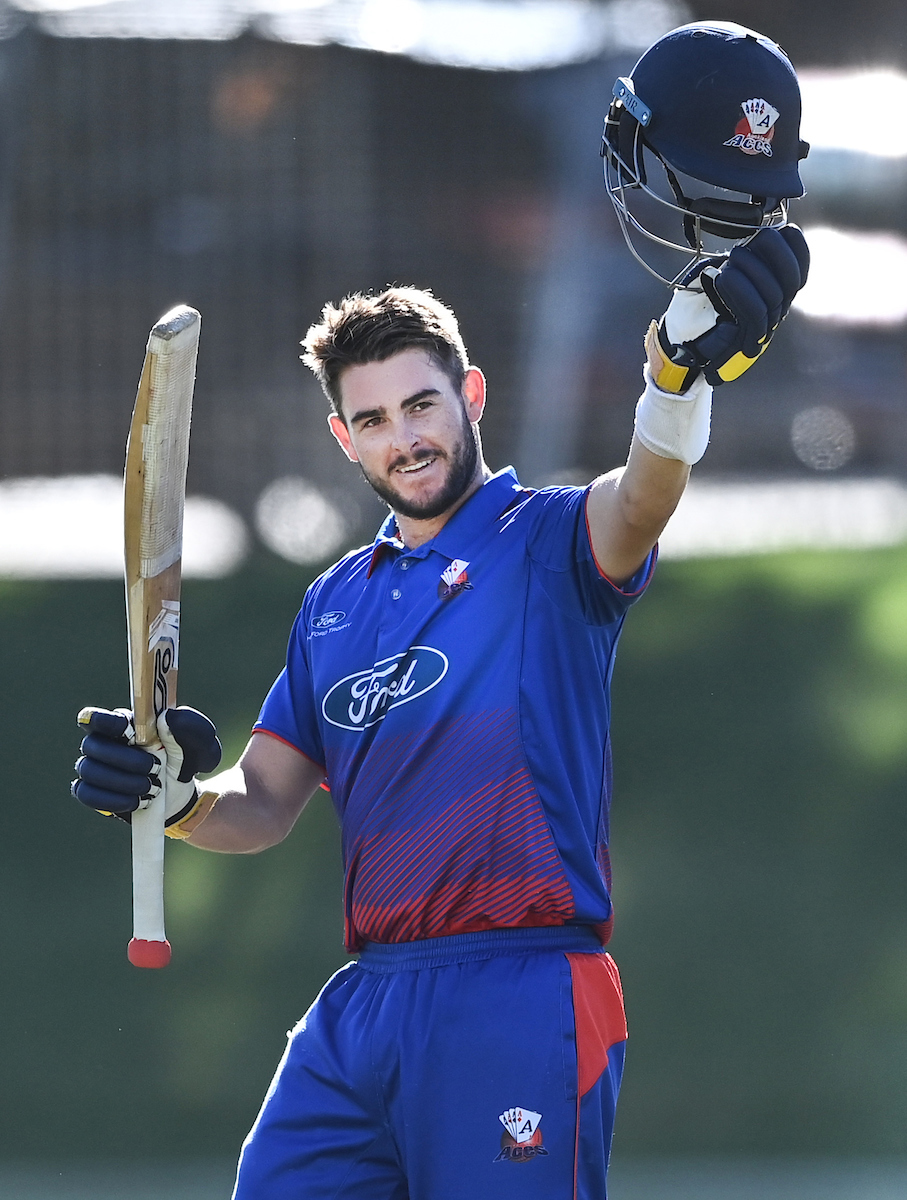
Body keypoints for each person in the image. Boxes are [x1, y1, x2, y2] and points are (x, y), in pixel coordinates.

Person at [72, 22, 810, 1200]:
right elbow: (263, 802)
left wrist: (672, 385)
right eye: (372, 420)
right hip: (364, 1007)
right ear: (344, 439)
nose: (404, 438)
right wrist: (171, 799)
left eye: (421, 405)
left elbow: (644, 498)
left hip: (522, 985)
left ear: (469, 395)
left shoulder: (548, 543)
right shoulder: (332, 606)